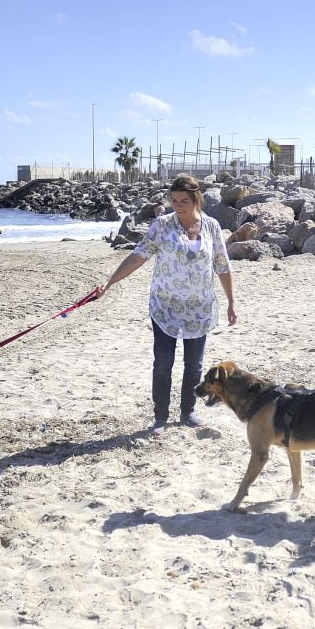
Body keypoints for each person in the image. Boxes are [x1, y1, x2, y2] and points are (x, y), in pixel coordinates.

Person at [96, 175, 237, 436]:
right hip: (165, 307)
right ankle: (160, 416)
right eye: (174, 200)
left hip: (200, 306)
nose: (178, 205)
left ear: (196, 199)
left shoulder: (212, 226)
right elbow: (138, 256)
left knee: (194, 365)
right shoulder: (162, 225)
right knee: (163, 362)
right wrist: (109, 284)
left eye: (184, 200)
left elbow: (222, 265)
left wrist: (231, 302)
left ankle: (188, 411)